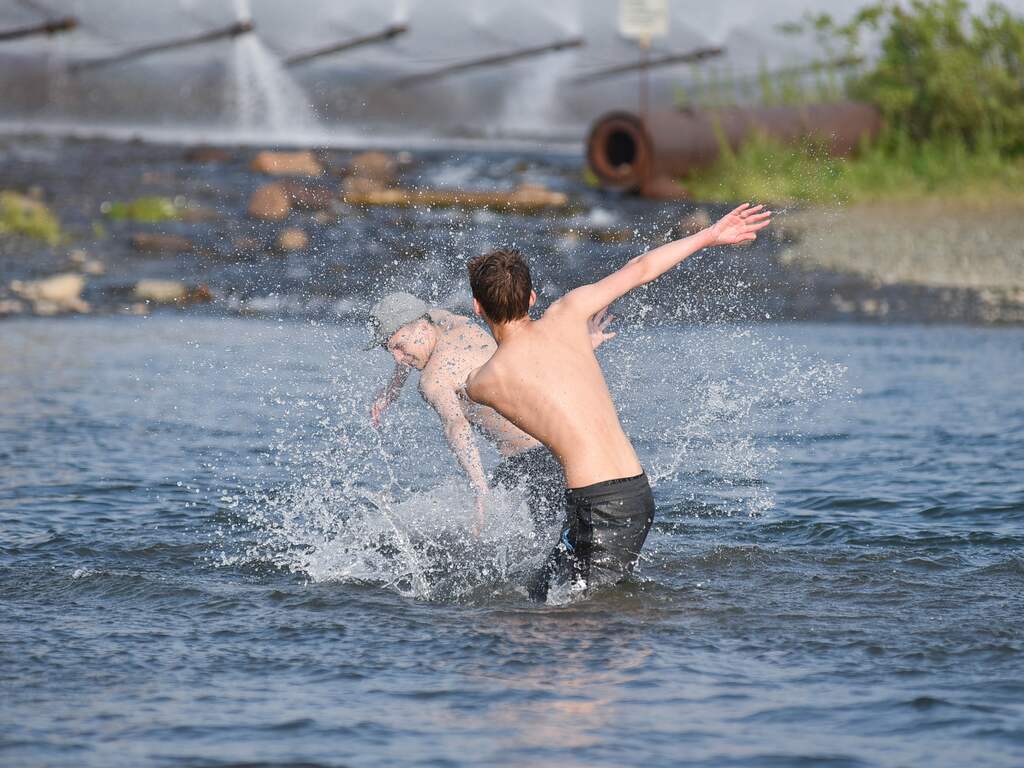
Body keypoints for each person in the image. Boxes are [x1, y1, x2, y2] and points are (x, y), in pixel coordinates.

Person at [463, 203, 772, 601]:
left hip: (600, 504)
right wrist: (711, 234)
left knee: (585, 616)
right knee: (538, 593)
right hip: (632, 492)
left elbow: (494, 380)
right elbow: (641, 268)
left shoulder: (485, 381)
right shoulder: (570, 312)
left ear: (476, 306)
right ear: (533, 296)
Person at [366, 292, 616, 533]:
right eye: (391, 351)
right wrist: (393, 389)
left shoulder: (434, 379)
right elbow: (410, 342)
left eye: (399, 346)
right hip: (569, 443)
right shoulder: (448, 321)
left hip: (536, 464)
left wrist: (480, 492)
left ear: (420, 327)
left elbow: (457, 426)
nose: (398, 358)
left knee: (548, 554)